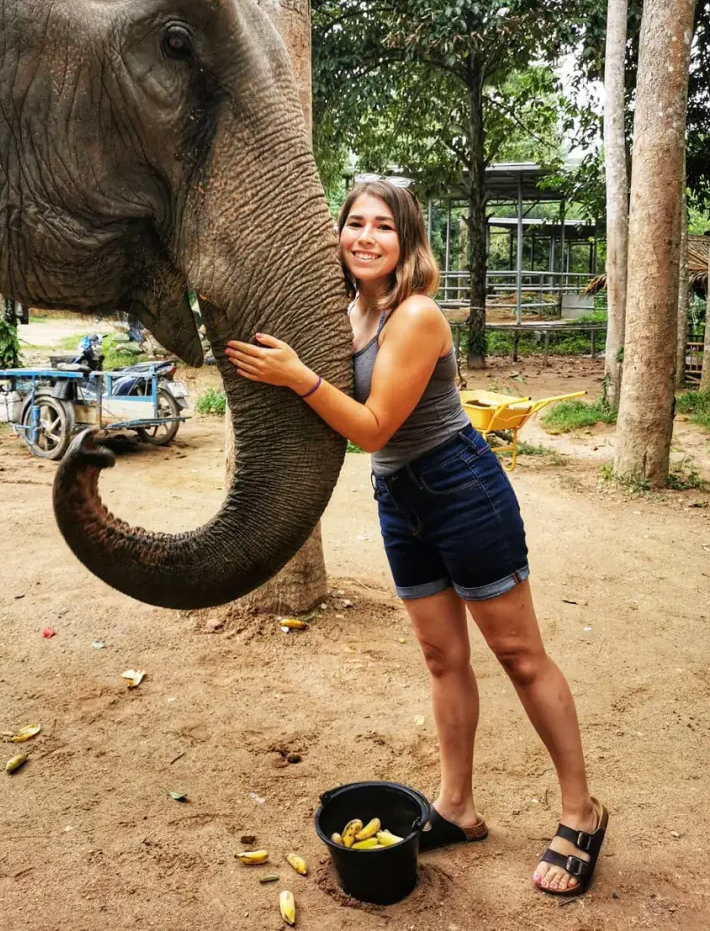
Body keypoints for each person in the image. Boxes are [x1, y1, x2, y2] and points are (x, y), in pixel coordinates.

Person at [226, 179, 608, 897]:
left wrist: (298, 376)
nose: (364, 237)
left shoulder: (416, 316)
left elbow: (372, 428)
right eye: (353, 224)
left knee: (520, 657)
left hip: (460, 489)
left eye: (381, 227)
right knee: (441, 657)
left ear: (406, 242)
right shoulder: (350, 311)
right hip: (398, 497)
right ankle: (456, 807)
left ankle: (580, 813)